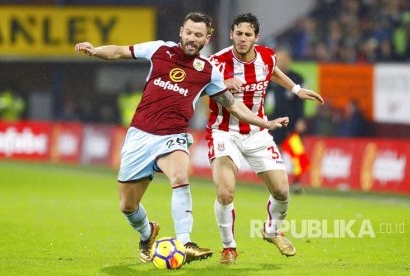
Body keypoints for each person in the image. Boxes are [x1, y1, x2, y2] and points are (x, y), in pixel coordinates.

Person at [74, 12, 289, 265]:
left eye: (199, 35)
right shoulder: (159, 50)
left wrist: (264, 122)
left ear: (206, 38)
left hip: (173, 135)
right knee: (127, 206)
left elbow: (233, 105)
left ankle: (185, 242)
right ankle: (147, 232)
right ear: (181, 31)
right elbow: (120, 51)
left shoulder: (208, 71)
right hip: (140, 136)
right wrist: (95, 50)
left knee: (179, 177)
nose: (192, 38)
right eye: (189, 32)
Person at [206, 13, 324, 265]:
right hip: (225, 132)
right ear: (231, 34)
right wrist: (223, 82)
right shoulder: (217, 62)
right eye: (238, 33)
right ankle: (229, 248)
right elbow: (208, 89)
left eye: (248, 34)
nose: (242, 39)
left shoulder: (267, 56)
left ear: (255, 38)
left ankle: (272, 230)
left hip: (257, 134)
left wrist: (296, 90)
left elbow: (274, 72)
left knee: (282, 190)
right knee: (225, 192)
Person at [265, 47, 309, 194]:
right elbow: (265, 99)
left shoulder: (298, 78)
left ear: (289, 61)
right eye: (278, 59)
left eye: (283, 59)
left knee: (297, 153)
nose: (281, 62)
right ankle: (277, 183)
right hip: (276, 121)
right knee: (276, 151)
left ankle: (297, 183)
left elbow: (301, 101)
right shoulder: (271, 78)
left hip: (293, 121)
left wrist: (301, 119)